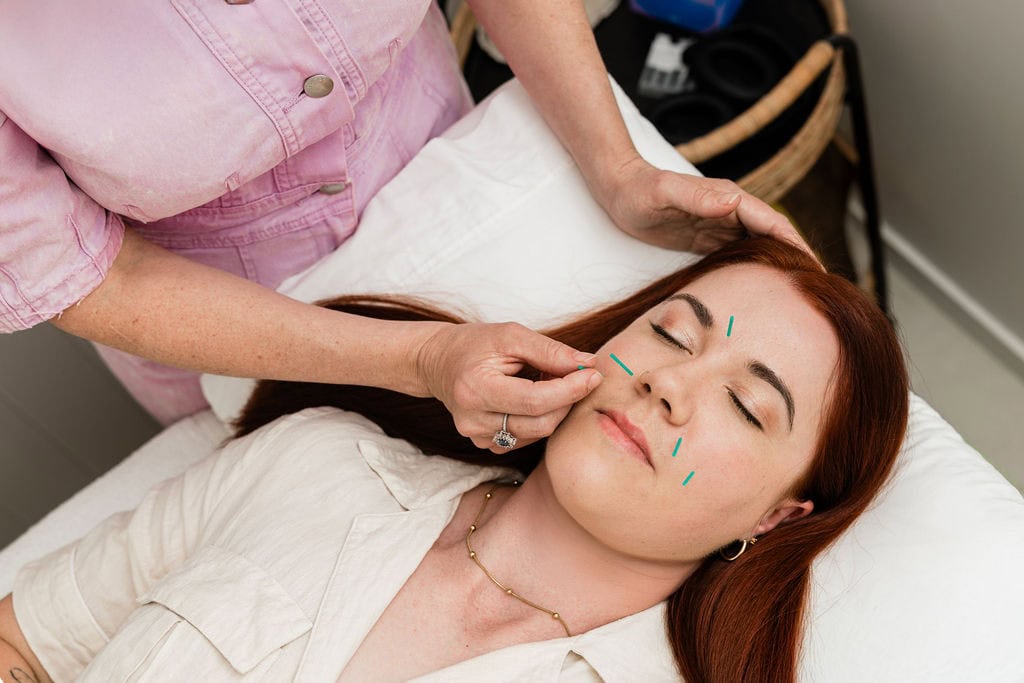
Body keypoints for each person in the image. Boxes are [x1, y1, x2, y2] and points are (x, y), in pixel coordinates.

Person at [0, 238, 908, 681]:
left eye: (746, 405)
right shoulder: (315, 460)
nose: (668, 384)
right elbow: (23, 645)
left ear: (777, 516)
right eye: (671, 333)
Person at [0, 0, 805, 441]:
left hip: (447, 154)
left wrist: (618, 167)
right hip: (223, 315)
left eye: (748, 409)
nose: (665, 389)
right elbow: (91, 278)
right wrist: (420, 359)